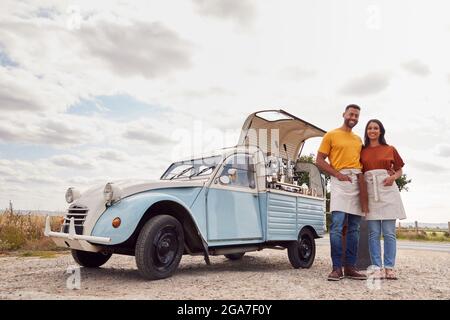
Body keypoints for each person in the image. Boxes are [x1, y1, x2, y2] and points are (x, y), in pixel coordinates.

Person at [316, 104, 367, 281]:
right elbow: (319, 160)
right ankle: (336, 268)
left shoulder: (358, 139)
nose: (354, 117)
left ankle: (350, 267)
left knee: (354, 227)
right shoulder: (331, 135)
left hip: (356, 181)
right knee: (337, 226)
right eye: (351, 114)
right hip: (339, 180)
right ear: (344, 114)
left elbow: (364, 162)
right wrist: (337, 174)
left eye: (357, 115)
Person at [360, 119, 406, 280]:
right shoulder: (362, 151)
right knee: (373, 233)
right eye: (370, 128)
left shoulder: (390, 149)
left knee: (389, 233)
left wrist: (393, 177)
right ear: (367, 132)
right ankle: (377, 268)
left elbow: (399, 170)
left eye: (376, 128)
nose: (372, 130)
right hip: (371, 191)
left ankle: (389, 267)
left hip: (388, 190)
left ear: (381, 131)